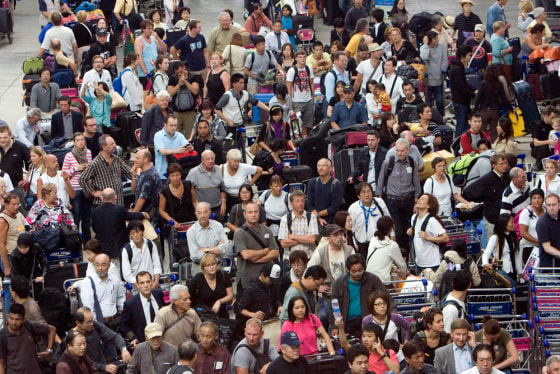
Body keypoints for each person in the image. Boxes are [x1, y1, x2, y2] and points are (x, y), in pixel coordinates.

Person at [330, 254, 390, 337]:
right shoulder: (340, 283)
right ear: (348, 270)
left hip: (367, 321)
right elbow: (333, 306)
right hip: (346, 323)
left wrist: (393, 314)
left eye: (360, 270)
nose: (357, 274)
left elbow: (386, 297)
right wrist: (335, 326)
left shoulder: (372, 279)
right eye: (354, 272)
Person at [377, 138, 421, 249]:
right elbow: (381, 180)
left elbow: (416, 182)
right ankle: (399, 252)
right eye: (397, 150)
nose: (399, 153)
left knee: (409, 229)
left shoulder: (412, 162)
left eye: (402, 150)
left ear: (408, 150)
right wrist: (379, 198)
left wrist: (417, 200)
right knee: (398, 230)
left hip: (409, 200)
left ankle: (407, 253)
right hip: (393, 200)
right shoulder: (388, 162)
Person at [69, 305, 133, 373]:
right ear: (78, 323)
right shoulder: (70, 339)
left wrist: (123, 349)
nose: (91, 324)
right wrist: (104, 367)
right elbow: (81, 362)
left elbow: (114, 336)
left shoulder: (94, 326)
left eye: (92, 320)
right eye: (88, 322)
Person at [90, 188, 148, 262]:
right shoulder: (119, 209)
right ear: (115, 197)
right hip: (118, 249)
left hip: (102, 251)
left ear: (101, 198)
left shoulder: (95, 212)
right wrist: (143, 214)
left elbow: (95, 229)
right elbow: (131, 216)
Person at [234, 201, 280, 294]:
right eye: (250, 212)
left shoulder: (267, 230)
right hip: (247, 280)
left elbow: (275, 252)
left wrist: (257, 260)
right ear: (244, 214)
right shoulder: (239, 233)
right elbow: (246, 255)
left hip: (266, 279)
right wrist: (265, 251)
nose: (253, 215)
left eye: (256, 212)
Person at [463, 154, 511, 241]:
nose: (504, 166)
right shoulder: (486, 179)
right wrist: (483, 201)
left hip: (505, 217)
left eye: (505, 163)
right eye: (501, 164)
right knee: (493, 243)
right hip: (492, 217)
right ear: (494, 166)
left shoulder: (507, 176)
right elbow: (468, 191)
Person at [79, 135, 133, 208]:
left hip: (119, 202)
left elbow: (129, 173)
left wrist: (138, 175)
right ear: (104, 147)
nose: (115, 145)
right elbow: (82, 179)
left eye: (114, 143)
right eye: (111, 144)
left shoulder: (116, 159)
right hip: (103, 205)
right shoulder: (95, 163)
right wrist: (93, 192)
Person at [0, 304, 56, 374]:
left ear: (23, 319)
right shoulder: (2, 336)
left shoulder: (28, 326)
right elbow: (1, 363)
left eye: (17, 319)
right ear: (8, 317)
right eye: (11, 318)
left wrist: (49, 350)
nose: (13, 322)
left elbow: (52, 329)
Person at [77, 253, 125, 325]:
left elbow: (121, 297)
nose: (100, 268)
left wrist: (121, 309)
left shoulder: (115, 280)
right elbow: (88, 308)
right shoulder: (88, 282)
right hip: (98, 322)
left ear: (109, 266)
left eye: (103, 265)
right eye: (97, 265)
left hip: (114, 321)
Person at [120, 271, 165, 347]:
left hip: (162, 339)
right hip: (144, 343)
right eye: (142, 283)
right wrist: (133, 338)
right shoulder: (131, 304)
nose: (146, 285)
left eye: (148, 282)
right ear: (137, 285)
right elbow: (123, 325)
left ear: (152, 282)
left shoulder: (158, 294)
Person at [62, 132, 92, 240]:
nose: (80, 142)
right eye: (78, 140)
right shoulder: (69, 156)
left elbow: (92, 169)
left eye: (82, 140)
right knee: (76, 216)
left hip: (86, 187)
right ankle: (75, 239)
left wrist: (87, 167)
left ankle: (87, 240)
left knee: (87, 216)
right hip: (75, 188)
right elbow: (64, 174)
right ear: (74, 142)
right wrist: (76, 168)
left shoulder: (88, 153)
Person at [348, 182, 392, 257]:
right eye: (363, 192)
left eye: (368, 191)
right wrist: (354, 243)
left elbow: (389, 220)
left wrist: (393, 235)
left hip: (379, 242)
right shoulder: (353, 208)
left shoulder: (379, 202)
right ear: (358, 195)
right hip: (361, 243)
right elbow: (351, 228)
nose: (367, 195)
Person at [407, 193, 448, 273]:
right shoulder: (414, 218)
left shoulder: (432, 221)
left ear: (429, 206)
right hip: (418, 262)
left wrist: (428, 237)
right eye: (419, 198)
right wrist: (412, 230)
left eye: (423, 199)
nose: (419, 200)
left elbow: (445, 237)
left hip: (432, 263)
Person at [187, 202, 229, 274]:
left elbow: (226, 248)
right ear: (195, 214)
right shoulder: (191, 231)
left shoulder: (218, 226)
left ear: (210, 212)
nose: (202, 215)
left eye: (205, 212)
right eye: (199, 213)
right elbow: (195, 255)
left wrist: (205, 250)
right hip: (199, 268)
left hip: (217, 267)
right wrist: (216, 249)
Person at [278, 190, 319, 264]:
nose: (300, 204)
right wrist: (305, 238)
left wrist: (292, 236)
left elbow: (312, 240)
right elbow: (283, 243)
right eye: (297, 201)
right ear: (291, 203)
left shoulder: (311, 217)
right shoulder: (285, 219)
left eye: (302, 201)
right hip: (290, 260)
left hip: (309, 259)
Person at [188, 253, 233, 318]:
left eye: (213, 264)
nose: (212, 267)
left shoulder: (223, 275)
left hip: (222, 314)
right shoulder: (197, 279)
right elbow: (187, 296)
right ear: (203, 268)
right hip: (203, 315)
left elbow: (230, 295)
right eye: (208, 265)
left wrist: (219, 301)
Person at [482, 213, 521, 286]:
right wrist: (486, 264)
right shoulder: (495, 238)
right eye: (511, 222)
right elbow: (486, 253)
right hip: (502, 270)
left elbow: (516, 256)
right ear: (504, 224)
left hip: (513, 270)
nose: (513, 224)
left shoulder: (512, 237)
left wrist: (520, 272)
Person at [187, 150, 227, 221]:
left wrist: (223, 202)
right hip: (202, 211)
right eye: (208, 159)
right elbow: (188, 190)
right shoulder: (193, 172)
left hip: (217, 208)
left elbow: (222, 188)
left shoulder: (218, 169)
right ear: (202, 160)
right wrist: (196, 207)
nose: (210, 161)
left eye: (212, 159)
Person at [121, 220, 162, 285]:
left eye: (138, 232)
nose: (136, 235)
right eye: (133, 233)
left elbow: (157, 265)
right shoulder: (126, 250)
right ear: (129, 235)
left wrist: (156, 282)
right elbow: (127, 274)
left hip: (152, 283)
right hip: (136, 286)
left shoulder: (150, 244)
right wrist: (140, 285)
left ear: (142, 232)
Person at [366, 216, 407, 282]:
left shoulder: (373, 240)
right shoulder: (392, 245)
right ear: (390, 229)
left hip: (368, 278)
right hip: (382, 281)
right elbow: (402, 265)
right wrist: (405, 274)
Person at [166, 61, 201, 138]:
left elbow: (195, 91)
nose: (180, 74)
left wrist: (185, 81)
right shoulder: (172, 78)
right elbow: (170, 94)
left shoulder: (193, 77)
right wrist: (179, 84)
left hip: (190, 112)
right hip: (176, 112)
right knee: (175, 134)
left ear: (184, 67)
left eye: (181, 72)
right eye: (178, 73)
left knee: (190, 135)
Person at [306, 158, 344, 225]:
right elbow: (309, 204)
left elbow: (334, 207)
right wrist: (318, 218)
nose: (321, 168)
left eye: (323, 165)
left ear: (330, 168)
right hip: (315, 219)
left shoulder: (336, 184)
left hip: (331, 220)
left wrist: (318, 214)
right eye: (319, 166)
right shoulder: (312, 182)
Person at [159, 162, 196, 230]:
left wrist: (199, 211)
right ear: (169, 177)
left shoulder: (188, 185)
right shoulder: (165, 191)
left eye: (177, 175)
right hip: (175, 222)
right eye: (172, 176)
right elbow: (161, 210)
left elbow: (195, 201)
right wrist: (172, 221)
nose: (175, 178)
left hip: (191, 220)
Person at [449, 45, 476, 137]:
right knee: (461, 125)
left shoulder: (458, 67)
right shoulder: (457, 69)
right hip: (460, 101)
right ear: (462, 56)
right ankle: (457, 144)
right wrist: (472, 94)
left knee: (464, 125)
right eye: (468, 55)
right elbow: (461, 87)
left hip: (462, 100)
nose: (470, 57)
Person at [286, 50, 314, 137]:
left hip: (308, 99)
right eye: (300, 57)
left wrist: (312, 96)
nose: (302, 59)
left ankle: (304, 139)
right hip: (297, 101)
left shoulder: (308, 69)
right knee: (295, 122)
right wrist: (290, 102)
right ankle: (297, 139)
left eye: (304, 57)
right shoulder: (292, 70)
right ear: (296, 58)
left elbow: (311, 82)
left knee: (306, 122)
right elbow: (289, 86)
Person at [153, 114, 189, 179]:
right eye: (171, 125)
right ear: (165, 125)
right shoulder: (158, 135)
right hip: (162, 174)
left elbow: (187, 145)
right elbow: (162, 151)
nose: (173, 128)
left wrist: (190, 148)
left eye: (175, 125)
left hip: (177, 174)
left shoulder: (179, 135)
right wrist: (177, 151)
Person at [420, 31, 448, 116]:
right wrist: (426, 46)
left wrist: (443, 69)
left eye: (437, 38)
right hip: (428, 79)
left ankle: (440, 116)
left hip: (438, 77)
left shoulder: (441, 47)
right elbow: (424, 57)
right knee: (428, 101)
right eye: (434, 38)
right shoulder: (423, 48)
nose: (437, 40)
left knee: (439, 100)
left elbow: (445, 59)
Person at [134, 20, 166, 91]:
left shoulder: (153, 38)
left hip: (155, 70)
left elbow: (163, 49)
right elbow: (139, 58)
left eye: (152, 28)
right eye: (149, 29)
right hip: (146, 72)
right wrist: (146, 72)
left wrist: (158, 38)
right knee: (148, 95)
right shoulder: (139, 40)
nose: (151, 31)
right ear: (143, 29)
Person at [131, 149, 162, 218]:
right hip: (141, 213)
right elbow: (134, 190)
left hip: (148, 215)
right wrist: (134, 176)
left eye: (138, 158)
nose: (135, 160)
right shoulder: (143, 172)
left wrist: (131, 217)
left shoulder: (150, 175)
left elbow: (142, 199)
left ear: (145, 159)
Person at [518, 188, 545, 262]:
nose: (537, 200)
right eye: (534, 198)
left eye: (539, 198)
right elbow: (523, 233)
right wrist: (539, 242)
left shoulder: (546, 211)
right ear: (531, 200)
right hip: (528, 247)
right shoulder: (526, 212)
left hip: (544, 248)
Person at [322, 51, 349, 118]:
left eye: (345, 60)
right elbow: (329, 97)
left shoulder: (345, 73)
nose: (344, 63)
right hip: (333, 107)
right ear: (336, 61)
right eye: (342, 61)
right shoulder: (330, 75)